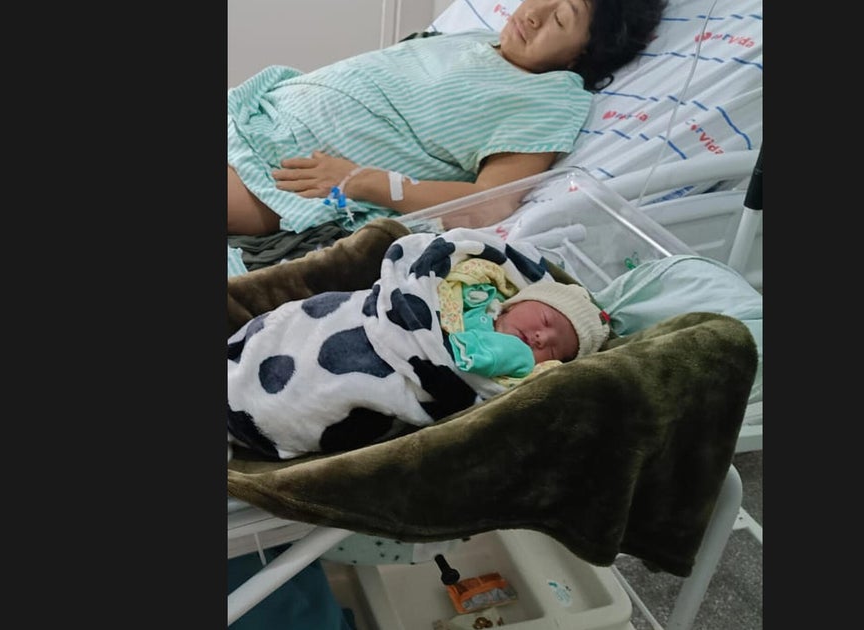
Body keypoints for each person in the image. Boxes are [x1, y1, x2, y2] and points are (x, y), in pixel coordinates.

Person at [227, 0, 668, 243]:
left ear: (582, 55)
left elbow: (488, 205)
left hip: (277, 176)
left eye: (560, 18)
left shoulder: (551, 98)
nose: (534, 13)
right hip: (253, 112)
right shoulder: (479, 39)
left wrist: (363, 182)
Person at [227, 227, 611, 462]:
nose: (543, 337)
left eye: (554, 349)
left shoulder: (514, 370)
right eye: (545, 320)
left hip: (404, 377)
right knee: (295, 330)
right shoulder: (470, 287)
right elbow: (422, 278)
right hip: (368, 322)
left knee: (310, 397)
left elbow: (499, 390)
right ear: (516, 300)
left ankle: (248, 411)